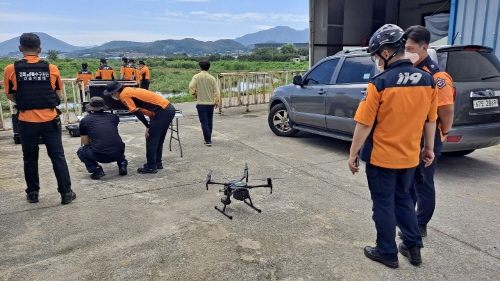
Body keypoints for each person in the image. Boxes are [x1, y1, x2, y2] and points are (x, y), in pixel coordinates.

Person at [347, 24, 438, 268]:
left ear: (386, 53)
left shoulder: (380, 83)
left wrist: (353, 153)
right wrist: (428, 148)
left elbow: (364, 123)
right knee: (404, 200)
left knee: (383, 205)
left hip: (382, 158)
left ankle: (386, 252)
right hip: (410, 157)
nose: (377, 60)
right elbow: (431, 119)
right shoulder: (428, 80)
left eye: (377, 55)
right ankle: (413, 247)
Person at [3, 33, 75, 204]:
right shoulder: (52, 68)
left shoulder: (10, 69)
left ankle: (33, 193)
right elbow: (57, 93)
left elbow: (10, 95)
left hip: (26, 121)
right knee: (57, 156)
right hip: (50, 119)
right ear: (40, 49)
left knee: (29, 157)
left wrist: (25, 103)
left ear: (20, 49)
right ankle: (66, 193)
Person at [401, 25, 455, 238]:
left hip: (427, 137)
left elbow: (446, 110)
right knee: (408, 182)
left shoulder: (437, 76)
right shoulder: (409, 72)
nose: (406, 51)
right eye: (404, 47)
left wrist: (445, 132)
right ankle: (407, 220)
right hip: (409, 136)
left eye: (410, 47)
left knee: (423, 182)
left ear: (424, 48)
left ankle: (420, 223)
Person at [103, 81, 176, 174]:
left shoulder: (124, 95)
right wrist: (148, 126)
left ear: (115, 92)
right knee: (158, 139)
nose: (112, 97)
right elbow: (149, 109)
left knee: (151, 139)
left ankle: (151, 166)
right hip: (166, 110)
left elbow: (136, 112)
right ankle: (157, 163)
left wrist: (148, 126)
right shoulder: (128, 90)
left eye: (111, 94)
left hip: (162, 112)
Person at [77, 97, 128, 179]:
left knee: (81, 151)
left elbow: (86, 143)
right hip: (119, 152)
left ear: (90, 109)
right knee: (115, 144)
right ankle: (122, 164)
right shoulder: (113, 117)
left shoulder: (85, 121)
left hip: (101, 155)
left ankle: (96, 170)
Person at [189, 59, 220, 146]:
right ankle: (209, 137)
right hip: (210, 104)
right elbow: (216, 91)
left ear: (200, 67)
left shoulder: (196, 77)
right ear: (208, 68)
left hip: (201, 103)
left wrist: (194, 93)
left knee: (204, 122)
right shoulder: (212, 78)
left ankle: (207, 140)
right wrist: (216, 101)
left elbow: (191, 86)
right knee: (209, 121)